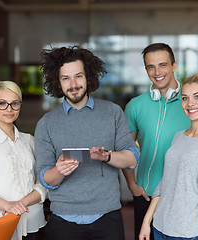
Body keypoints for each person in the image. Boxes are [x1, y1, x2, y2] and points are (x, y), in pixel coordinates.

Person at [34, 46, 139, 240]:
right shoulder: (47, 124)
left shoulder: (113, 113)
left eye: (78, 76)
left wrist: (107, 156)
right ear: (57, 82)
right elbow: (45, 179)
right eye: (66, 78)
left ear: (89, 77)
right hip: (63, 223)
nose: (73, 84)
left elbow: (132, 159)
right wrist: (59, 170)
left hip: (108, 219)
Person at [122, 43, 198, 240]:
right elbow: (125, 149)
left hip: (186, 200)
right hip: (147, 195)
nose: (157, 72)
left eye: (163, 65)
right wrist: (132, 184)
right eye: (151, 66)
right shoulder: (135, 106)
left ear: (174, 65)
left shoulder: (195, 103)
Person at [139, 72, 198, 240]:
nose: (190, 103)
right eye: (185, 98)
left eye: (197, 96)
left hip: (188, 233)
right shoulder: (179, 136)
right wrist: (147, 220)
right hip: (160, 227)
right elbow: (165, 181)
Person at [0, 81, 47, 240]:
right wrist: (10, 206)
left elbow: (43, 182)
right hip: (3, 225)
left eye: (14, 104)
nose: (9, 109)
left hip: (35, 223)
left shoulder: (29, 140)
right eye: (2, 103)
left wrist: (22, 203)